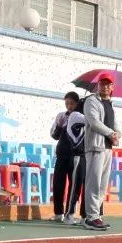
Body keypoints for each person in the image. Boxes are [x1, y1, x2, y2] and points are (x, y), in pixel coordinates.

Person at [81, 74, 121, 231]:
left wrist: (117, 134)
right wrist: (111, 134)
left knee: (102, 184)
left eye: (108, 84)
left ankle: (95, 214)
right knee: (94, 182)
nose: (105, 87)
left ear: (112, 88)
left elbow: (115, 125)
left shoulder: (109, 104)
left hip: (107, 148)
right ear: (98, 85)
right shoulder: (92, 101)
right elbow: (94, 122)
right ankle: (91, 216)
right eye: (102, 84)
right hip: (95, 147)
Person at [50, 91, 87, 224]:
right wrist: (60, 126)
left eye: (72, 103)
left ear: (77, 103)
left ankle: (69, 213)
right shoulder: (61, 116)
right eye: (67, 103)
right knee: (58, 183)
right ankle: (58, 213)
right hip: (62, 154)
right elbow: (54, 135)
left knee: (74, 185)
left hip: (75, 155)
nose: (69, 106)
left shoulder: (82, 117)